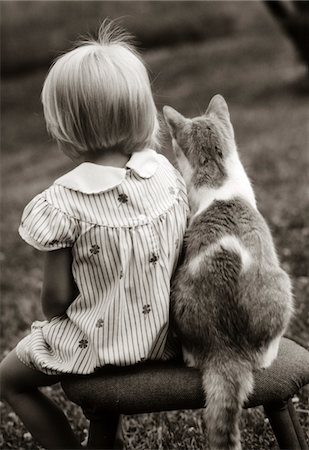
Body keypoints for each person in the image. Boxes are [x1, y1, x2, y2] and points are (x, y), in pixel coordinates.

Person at [0, 21, 188, 449]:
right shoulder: (165, 175)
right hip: (166, 339)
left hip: (98, 349)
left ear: (64, 123)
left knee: (8, 380)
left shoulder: (64, 203)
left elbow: (56, 302)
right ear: (141, 108)